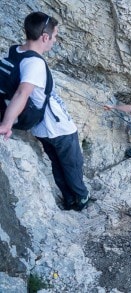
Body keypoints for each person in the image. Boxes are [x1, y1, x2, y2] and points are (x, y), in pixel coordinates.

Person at [0, 12, 90, 211]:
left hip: (40, 128)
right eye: (55, 36)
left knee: (57, 164)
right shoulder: (35, 64)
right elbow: (22, 93)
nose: (55, 40)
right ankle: (81, 198)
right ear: (45, 37)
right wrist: (6, 124)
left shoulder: (16, 51)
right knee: (73, 165)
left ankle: (68, 199)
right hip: (58, 127)